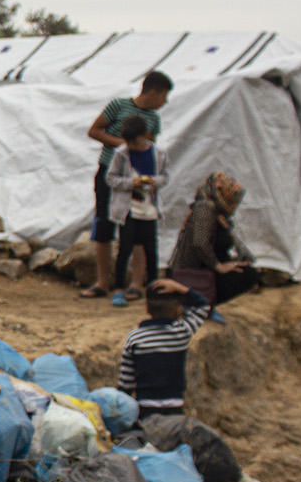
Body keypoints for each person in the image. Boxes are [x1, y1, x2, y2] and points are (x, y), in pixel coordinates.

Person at [83, 71, 173, 300]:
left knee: (139, 229)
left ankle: (135, 283)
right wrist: (124, 144)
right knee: (104, 224)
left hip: (138, 181)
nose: (165, 102)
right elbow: (94, 131)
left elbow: (150, 148)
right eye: (164, 96)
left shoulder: (153, 119)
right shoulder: (118, 105)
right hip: (110, 173)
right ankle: (103, 282)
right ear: (153, 92)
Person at [118, 277, 213, 417]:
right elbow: (204, 305)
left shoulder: (134, 338)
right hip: (175, 407)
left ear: (146, 308)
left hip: (144, 407)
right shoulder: (181, 332)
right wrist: (180, 287)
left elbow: (126, 382)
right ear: (177, 309)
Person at [168, 171, 259, 306]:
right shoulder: (205, 208)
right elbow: (199, 242)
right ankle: (204, 302)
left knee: (247, 272)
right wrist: (219, 266)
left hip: (207, 267)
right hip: (196, 271)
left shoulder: (218, 214)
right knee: (248, 276)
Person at [103, 115, 167, 307]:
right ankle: (119, 289)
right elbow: (111, 179)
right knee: (125, 248)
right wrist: (132, 183)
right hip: (128, 210)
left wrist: (153, 181)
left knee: (150, 248)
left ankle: (154, 287)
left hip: (149, 208)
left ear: (145, 136)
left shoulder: (158, 154)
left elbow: (165, 176)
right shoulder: (121, 154)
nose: (132, 145)